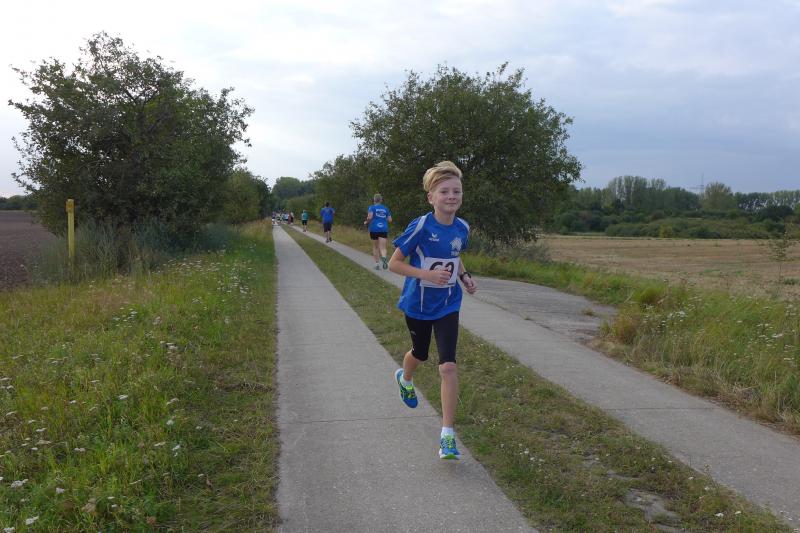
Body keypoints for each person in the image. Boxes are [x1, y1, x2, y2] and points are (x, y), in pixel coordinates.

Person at [387, 161, 477, 460]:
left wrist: (464, 277)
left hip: (448, 303)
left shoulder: (463, 227)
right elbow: (394, 263)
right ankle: (405, 378)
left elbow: (455, 256)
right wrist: (426, 275)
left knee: (448, 366)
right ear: (431, 197)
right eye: (444, 191)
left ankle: (447, 436)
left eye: (456, 191)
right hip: (419, 304)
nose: (451, 196)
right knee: (420, 354)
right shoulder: (421, 226)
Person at [363, 194, 393, 270]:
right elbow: (390, 220)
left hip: (374, 229)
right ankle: (384, 258)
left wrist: (366, 222)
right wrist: (382, 219)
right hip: (383, 229)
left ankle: (377, 265)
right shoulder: (385, 208)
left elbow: (370, 217)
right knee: (383, 247)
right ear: (381, 200)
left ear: (374, 200)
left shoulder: (372, 207)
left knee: (375, 247)